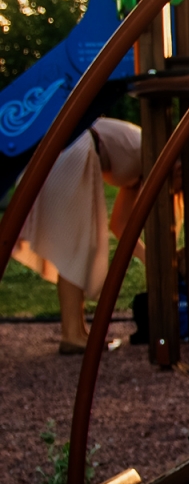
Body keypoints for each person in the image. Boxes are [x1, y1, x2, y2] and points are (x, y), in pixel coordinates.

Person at [11, 118, 143, 354]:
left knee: (78, 245)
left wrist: (153, 261)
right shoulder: (155, 152)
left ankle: (77, 330)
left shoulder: (144, 159)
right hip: (75, 149)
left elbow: (121, 225)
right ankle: (72, 334)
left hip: (69, 148)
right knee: (75, 246)